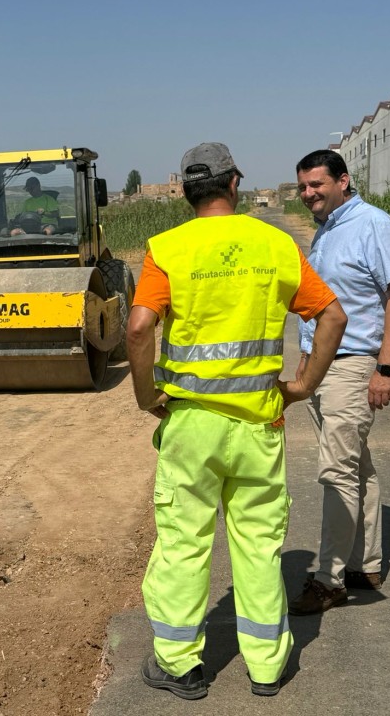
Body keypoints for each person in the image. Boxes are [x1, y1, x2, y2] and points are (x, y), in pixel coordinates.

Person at [127, 142, 347, 699]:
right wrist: (302, 387)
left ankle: (180, 666)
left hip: (191, 426)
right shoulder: (276, 244)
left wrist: (146, 395)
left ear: (186, 191)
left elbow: (137, 328)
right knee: (257, 546)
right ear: (233, 184)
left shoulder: (167, 249)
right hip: (259, 426)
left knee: (183, 542)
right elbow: (332, 317)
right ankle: (268, 667)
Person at [288, 150, 390, 615]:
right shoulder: (328, 230)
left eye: (317, 185)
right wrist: (306, 363)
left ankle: (329, 578)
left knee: (336, 471)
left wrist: (385, 368)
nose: (308, 194)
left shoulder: (372, 224)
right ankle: (365, 562)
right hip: (326, 365)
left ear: (343, 180)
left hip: (354, 363)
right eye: (302, 187)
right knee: (356, 466)